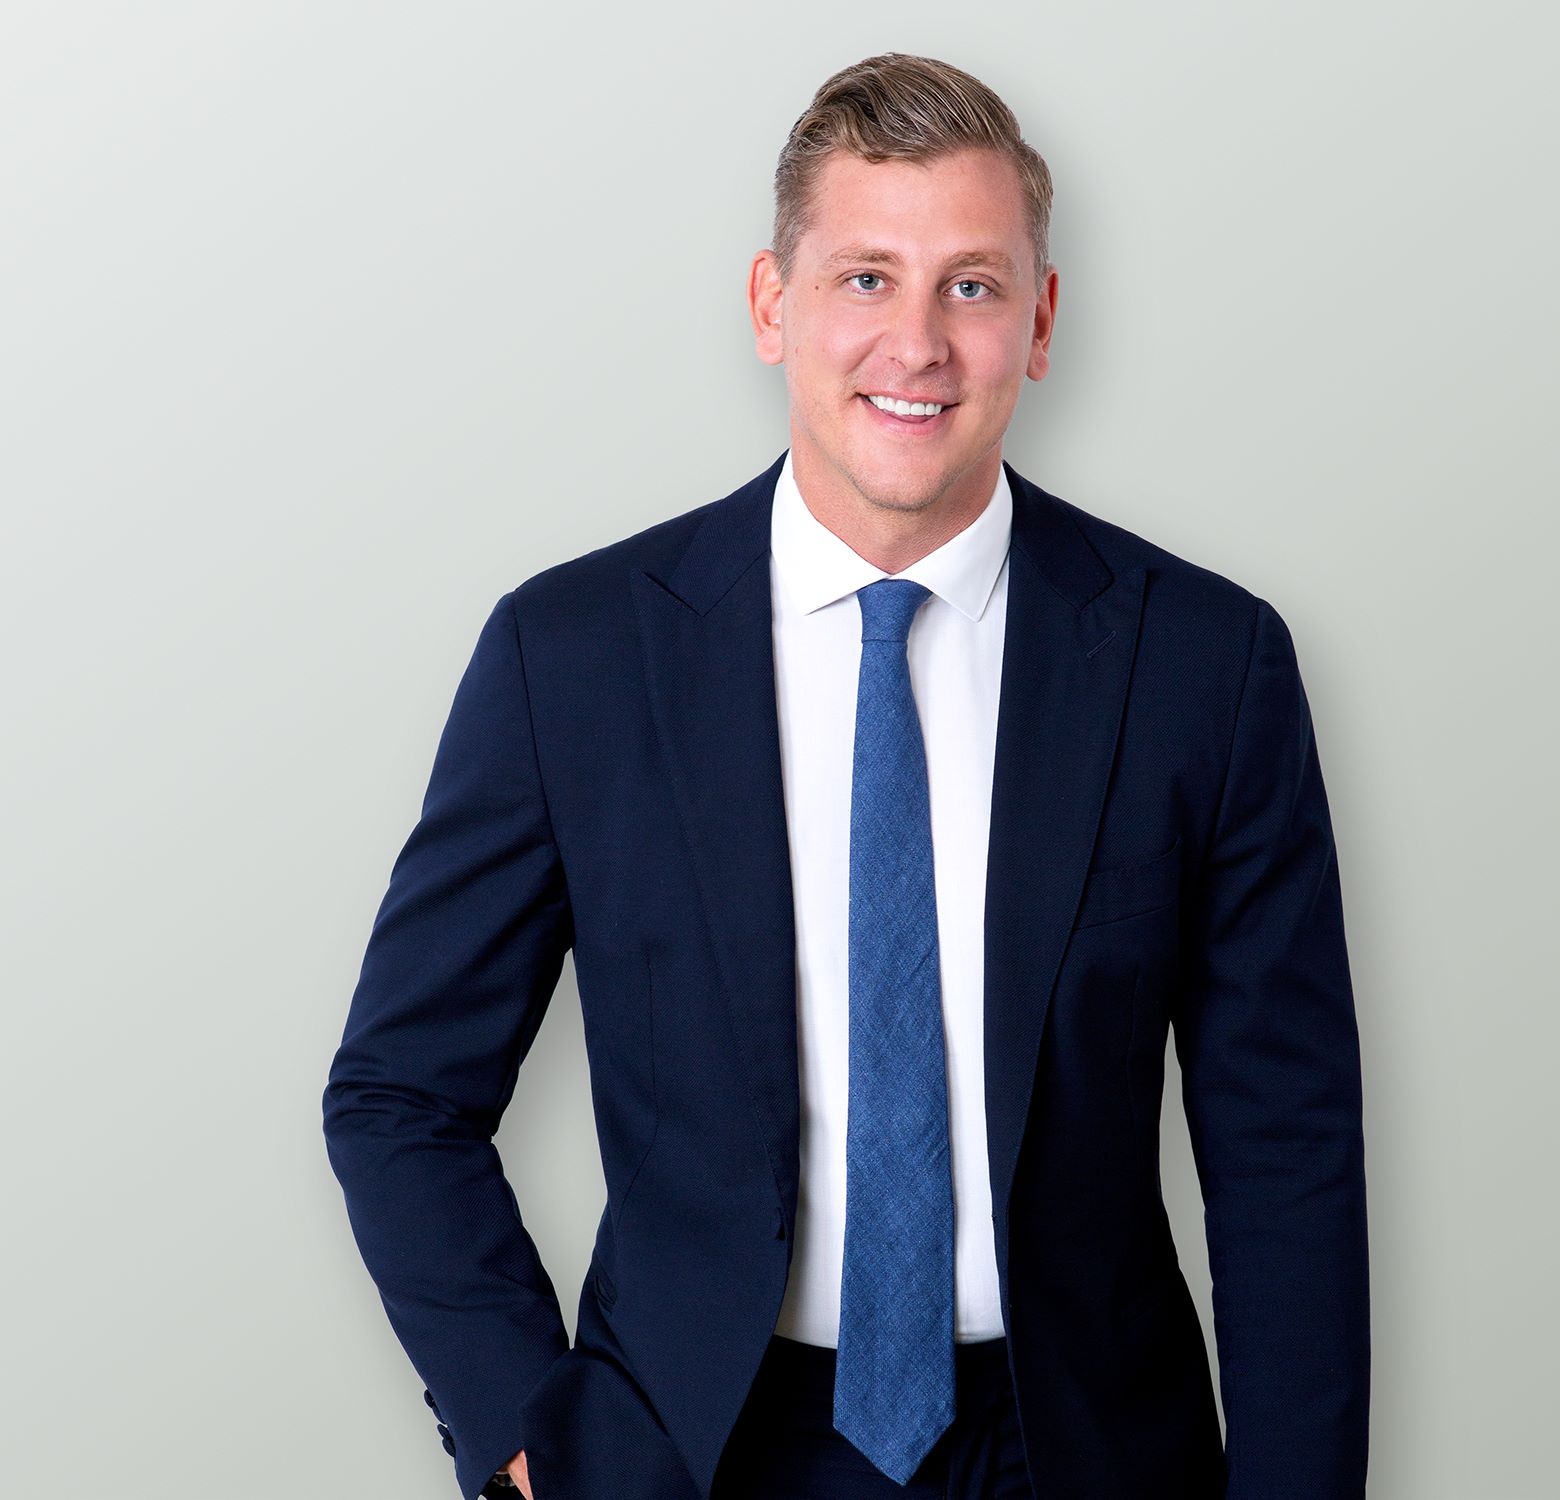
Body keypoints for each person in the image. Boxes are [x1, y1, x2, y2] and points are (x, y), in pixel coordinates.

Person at [322, 51, 1370, 1500]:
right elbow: (398, 1093)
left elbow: (1284, 1150)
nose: (916, 344)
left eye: (972, 286)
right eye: (865, 279)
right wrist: (529, 1435)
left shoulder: (1205, 664)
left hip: (1084, 1449)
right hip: (691, 1451)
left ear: (1040, 322)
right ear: (773, 305)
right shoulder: (574, 657)